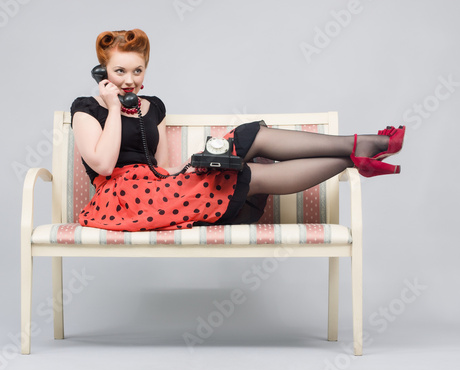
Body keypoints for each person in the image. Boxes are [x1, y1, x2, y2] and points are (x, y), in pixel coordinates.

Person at [70, 29, 405, 232]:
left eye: (137, 70)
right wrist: (114, 108)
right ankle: (353, 158)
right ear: (104, 72)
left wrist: (195, 164)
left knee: (248, 136)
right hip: (123, 201)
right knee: (247, 175)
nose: (129, 80)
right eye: (119, 71)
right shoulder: (88, 109)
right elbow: (101, 164)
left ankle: (357, 146)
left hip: (164, 187)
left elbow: (163, 167)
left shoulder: (153, 107)